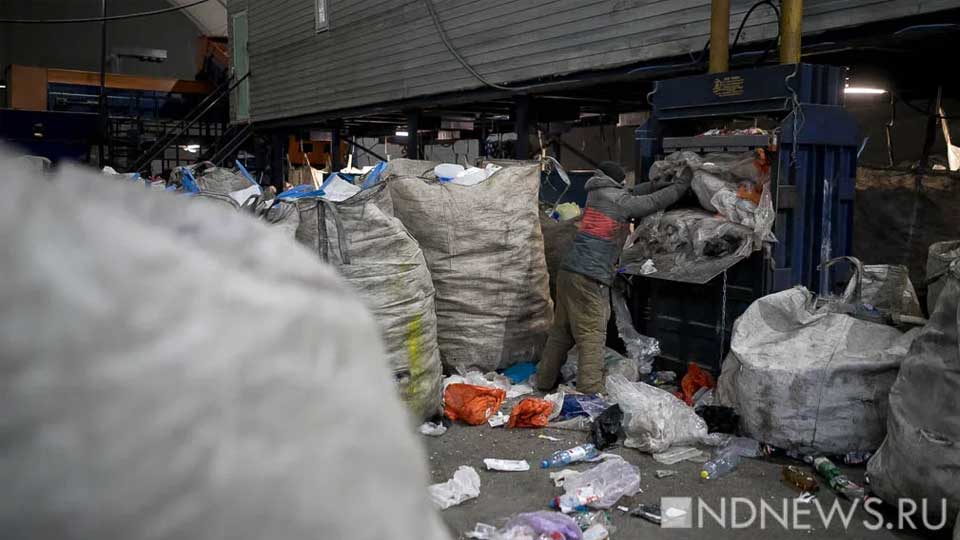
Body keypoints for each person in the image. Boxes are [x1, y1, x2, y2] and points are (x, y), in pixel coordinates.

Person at [536, 160, 692, 394]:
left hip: (569, 273)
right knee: (592, 334)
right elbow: (650, 203)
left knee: (561, 332)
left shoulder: (597, 193)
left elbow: (632, 193)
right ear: (617, 182)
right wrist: (681, 185)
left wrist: (654, 184)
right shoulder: (617, 200)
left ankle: (543, 381)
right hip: (590, 276)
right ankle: (590, 389)